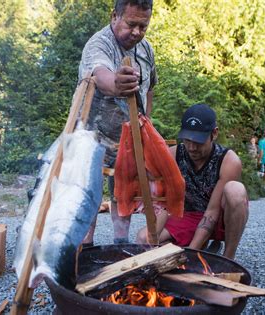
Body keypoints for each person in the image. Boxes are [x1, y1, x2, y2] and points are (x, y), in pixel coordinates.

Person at [78, 0, 157, 246]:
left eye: (143, 26)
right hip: (93, 136)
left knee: (123, 192)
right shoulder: (99, 44)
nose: (136, 32)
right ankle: (85, 248)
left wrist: (148, 123)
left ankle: (120, 245)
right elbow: (100, 73)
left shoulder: (145, 49)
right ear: (115, 16)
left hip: (128, 136)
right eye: (131, 24)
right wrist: (116, 84)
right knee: (88, 194)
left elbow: (150, 86)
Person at [136, 104, 249, 260]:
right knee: (143, 239)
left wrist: (191, 252)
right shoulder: (173, 155)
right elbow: (164, 203)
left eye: (198, 142)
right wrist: (152, 239)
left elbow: (212, 212)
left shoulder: (229, 160)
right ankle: (199, 247)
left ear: (214, 133)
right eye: (187, 140)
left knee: (235, 191)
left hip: (220, 218)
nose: (192, 147)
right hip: (189, 216)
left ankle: (228, 259)